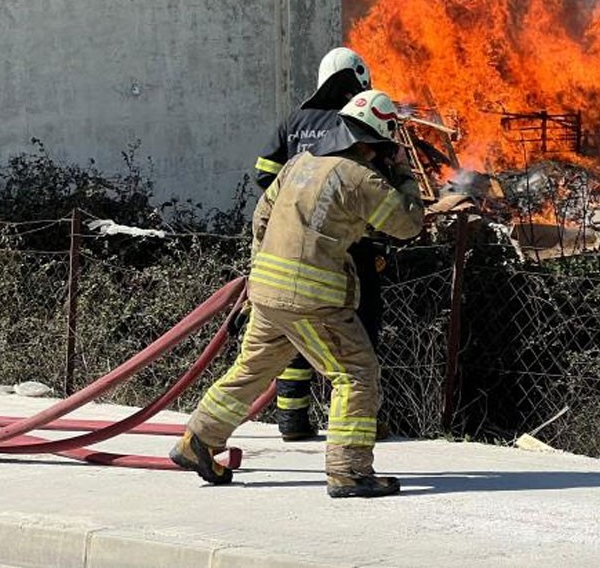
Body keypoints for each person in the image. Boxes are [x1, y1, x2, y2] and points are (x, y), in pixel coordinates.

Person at [172, 90, 424, 498]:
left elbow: (261, 217)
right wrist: (403, 175)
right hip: (313, 299)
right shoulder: (361, 178)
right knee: (357, 373)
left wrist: (258, 277)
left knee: (253, 368)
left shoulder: (298, 164)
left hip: (268, 291)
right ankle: (349, 472)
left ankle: (197, 440)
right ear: (372, 143)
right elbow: (407, 223)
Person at [253, 47, 391, 442]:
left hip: (292, 244)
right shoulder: (351, 124)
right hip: (348, 247)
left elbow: (263, 173)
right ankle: (360, 421)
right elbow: (369, 186)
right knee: (355, 333)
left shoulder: (294, 120)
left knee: (293, 330)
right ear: (358, 82)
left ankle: (292, 418)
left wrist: (290, 207)